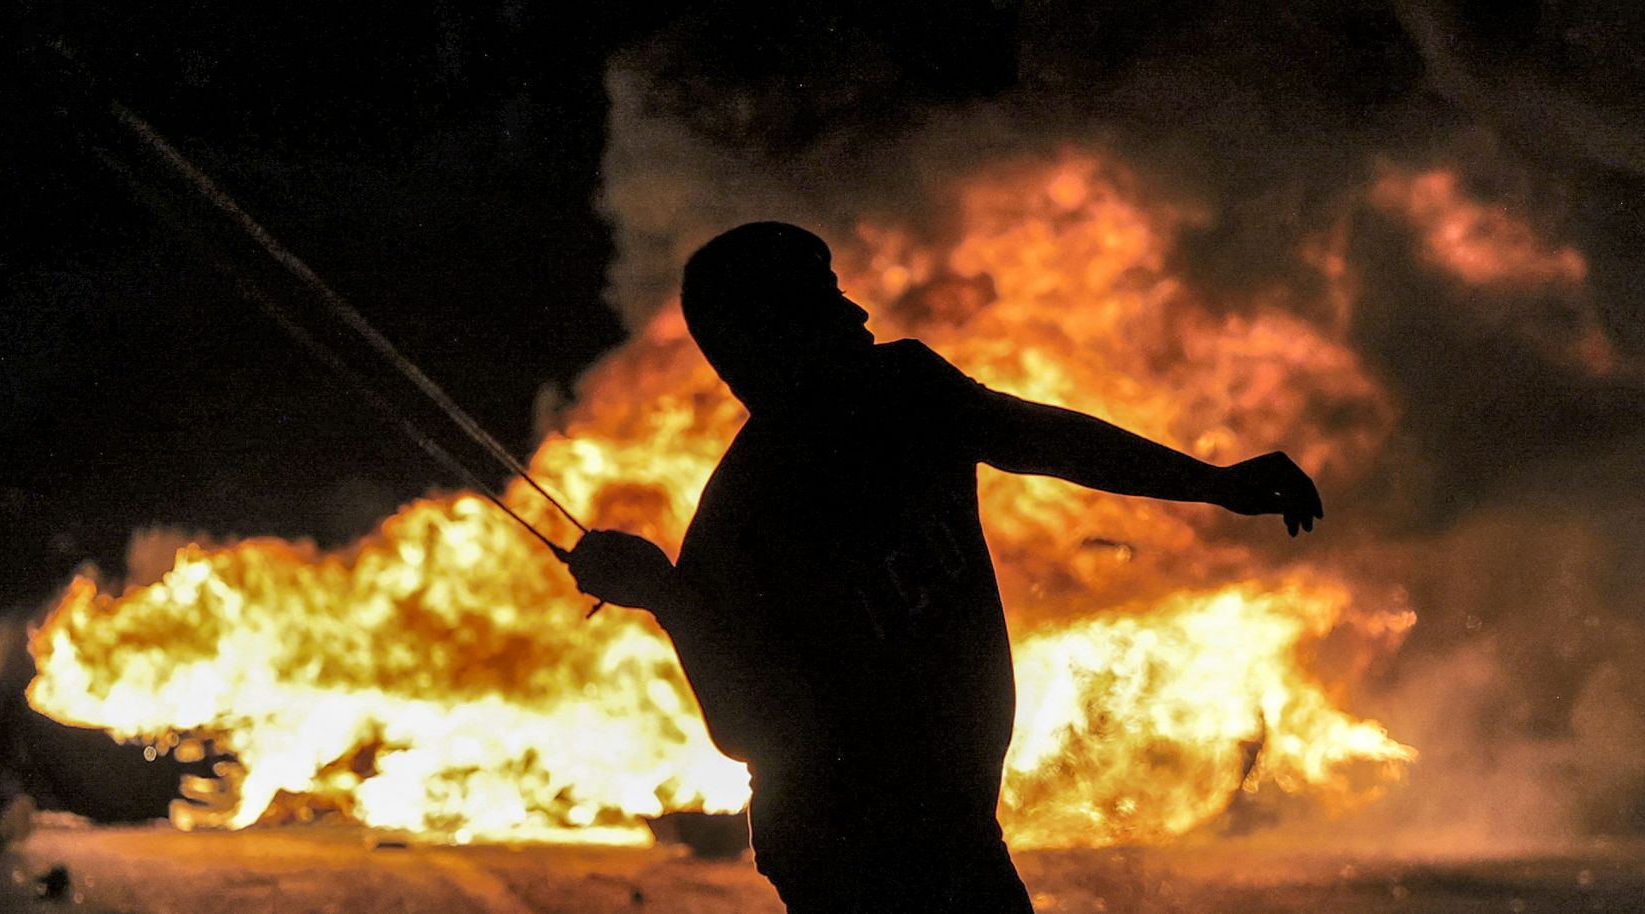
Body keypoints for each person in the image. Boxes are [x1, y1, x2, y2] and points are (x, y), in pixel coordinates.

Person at [564, 222, 1322, 913]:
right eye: (825, 301)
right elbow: (750, 730)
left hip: (932, 826)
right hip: (858, 845)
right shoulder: (749, 516)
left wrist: (1214, 483)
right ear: (768, 337)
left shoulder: (902, 395)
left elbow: (1045, 439)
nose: (858, 315)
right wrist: (674, 600)